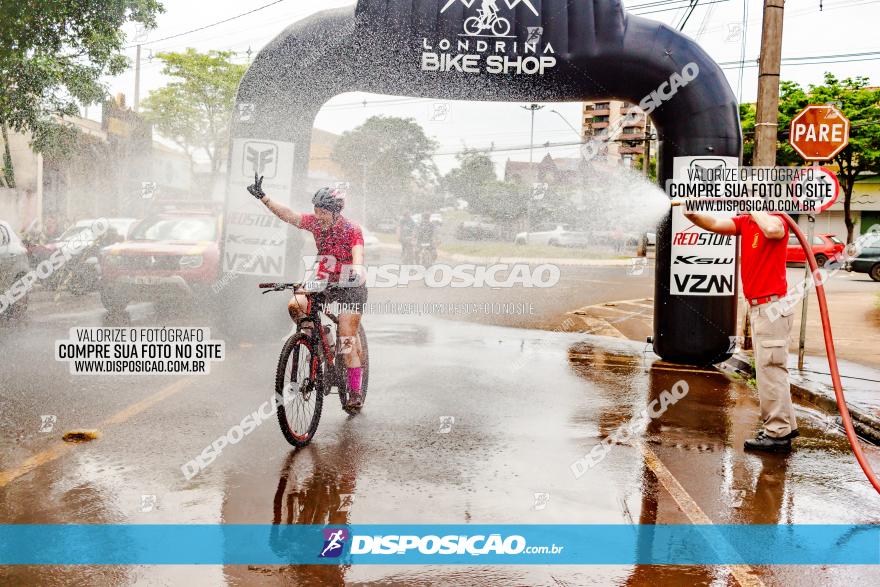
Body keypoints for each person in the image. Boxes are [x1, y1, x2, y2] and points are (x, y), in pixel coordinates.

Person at [683, 209, 798, 453]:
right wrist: (692, 216)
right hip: (760, 306)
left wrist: (755, 207)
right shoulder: (745, 222)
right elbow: (714, 223)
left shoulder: (777, 219)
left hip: (772, 307)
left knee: (771, 370)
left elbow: (773, 230)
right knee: (771, 369)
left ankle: (777, 435)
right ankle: (784, 427)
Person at [247, 174, 367, 408]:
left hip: (351, 283)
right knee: (296, 304)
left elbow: (358, 254)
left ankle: (354, 392)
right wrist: (264, 198)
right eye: (316, 210)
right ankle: (318, 340)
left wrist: (357, 270)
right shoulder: (314, 223)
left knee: (347, 338)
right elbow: (289, 215)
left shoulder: (352, 228)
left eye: (323, 212)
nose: (318, 216)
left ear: (335, 212)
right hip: (323, 276)